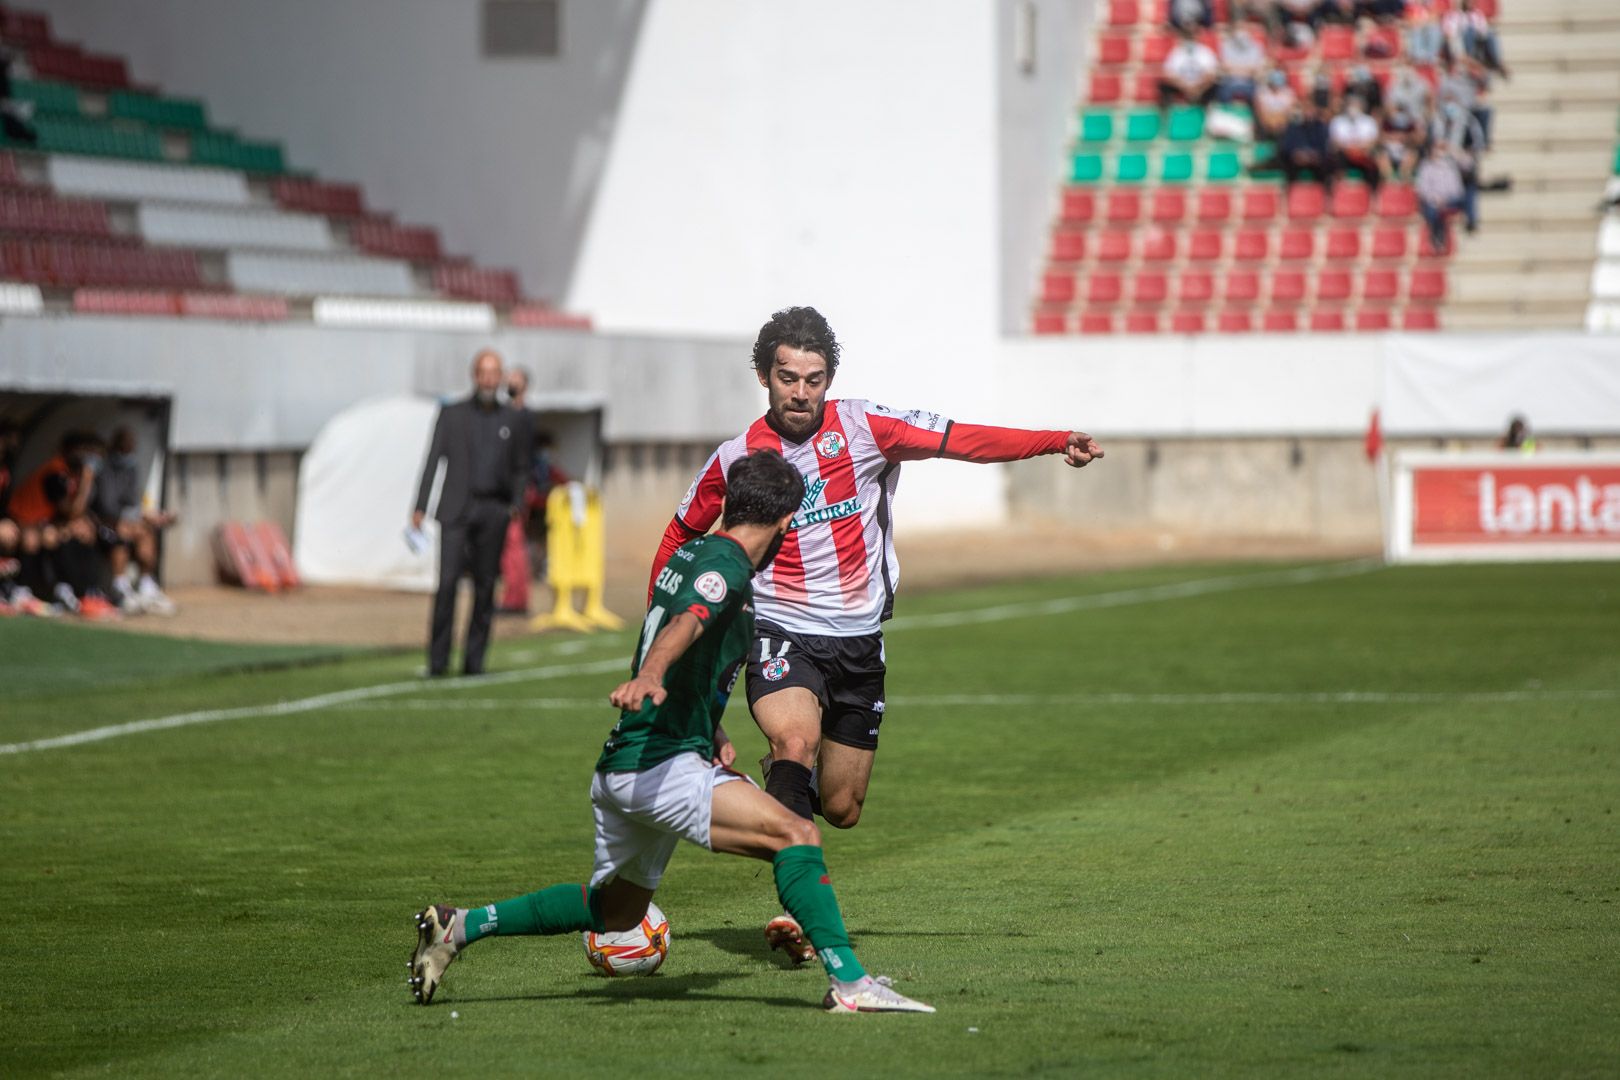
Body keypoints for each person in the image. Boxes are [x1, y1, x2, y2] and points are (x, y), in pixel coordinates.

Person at [648, 306, 1102, 963]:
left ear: (829, 378)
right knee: (793, 737)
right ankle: (795, 909)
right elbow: (678, 533)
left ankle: (786, 776)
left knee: (844, 806)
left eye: (813, 378)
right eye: (787, 377)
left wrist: (1055, 440)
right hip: (780, 626)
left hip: (859, 641)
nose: (800, 392)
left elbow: (962, 438)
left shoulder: (865, 427)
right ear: (762, 376)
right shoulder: (737, 456)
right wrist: (661, 620)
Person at [408, 449, 934, 1014]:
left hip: (623, 766)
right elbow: (688, 623)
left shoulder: (692, 554)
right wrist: (651, 676)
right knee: (796, 835)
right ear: (786, 524)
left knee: (617, 912)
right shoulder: (727, 567)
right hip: (661, 765)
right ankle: (852, 985)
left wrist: (712, 729)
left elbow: (686, 640)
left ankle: (458, 928)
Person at [412, 349, 532, 677]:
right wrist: (420, 506)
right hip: (455, 510)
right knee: (447, 584)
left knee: (484, 587)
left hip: (493, 510)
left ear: (501, 376)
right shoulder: (452, 414)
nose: (490, 379)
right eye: (484, 372)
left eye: (495, 373)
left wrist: (516, 504)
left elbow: (523, 466)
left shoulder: (513, 419)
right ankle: (437, 662)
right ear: (474, 375)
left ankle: (474, 662)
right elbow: (432, 459)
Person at [90, 426, 178, 615]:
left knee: (145, 532)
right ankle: (119, 587)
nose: (130, 448)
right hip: (101, 523)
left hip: (123, 521)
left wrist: (147, 517)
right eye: (126, 444)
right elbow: (106, 505)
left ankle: (146, 585)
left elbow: (131, 502)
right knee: (119, 535)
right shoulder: (104, 469)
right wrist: (123, 522)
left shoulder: (131, 468)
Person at [497, 365, 535, 615]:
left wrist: (517, 497)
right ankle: (512, 597)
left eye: (515, 379)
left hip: (517, 490)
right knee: (507, 547)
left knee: (513, 546)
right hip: (507, 487)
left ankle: (516, 600)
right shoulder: (505, 413)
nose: (510, 382)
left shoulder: (523, 416)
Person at [1415, 139, 1473, 252]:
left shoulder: (1451, 165)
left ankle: (1470, 222)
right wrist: (1435, 198)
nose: (1439, 152)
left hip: (1451, 199)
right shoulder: (1426, 167)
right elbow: (1422, 189)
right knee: (1434, 211)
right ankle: (1437, 238)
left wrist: (1453, 150)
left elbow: (1458, 188)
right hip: (1433, 201)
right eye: (1437, 148)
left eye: (1442, 149)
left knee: (1469, 194)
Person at [1157, 24, 1221, 109]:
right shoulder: (1176, 52)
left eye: (1191, 36)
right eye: (1187, 36)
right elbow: (1169, 74)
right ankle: (1165, 119)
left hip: (1201, 87)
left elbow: (1211, 74)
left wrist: (1197, 88)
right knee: (1164, 87)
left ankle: (1209, 115)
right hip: (1181, 86)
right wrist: (1186, 87)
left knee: (1215, 86)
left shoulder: (1205, 52)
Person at [1329, 94, 1381, 189]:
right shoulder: (1337, 121)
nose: (1353, 108)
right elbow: (1335, 141)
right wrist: (1349, 148)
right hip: (1344, 153)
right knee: (1333, 159)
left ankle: (1373, 193)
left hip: (1363, 153)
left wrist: (1359, 148)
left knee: (1375, 161)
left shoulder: (1369, 121)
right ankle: (1338, 190)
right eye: (1351, 105)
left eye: (1356, 105)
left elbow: (1373, 141)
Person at [1277, 102, 1334, 187]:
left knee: (1327, 166)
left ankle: (1326, 195)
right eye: (1306, 110)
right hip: (1297, 160)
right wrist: (1297, 154)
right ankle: (1290, 194)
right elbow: (1287, 146)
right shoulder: (1293, 127)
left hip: (1315, 160)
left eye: (1311, 111)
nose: (1308, 113)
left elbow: (1324, 146)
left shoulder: (1320, 127)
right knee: (1287, 165)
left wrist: (1314, 155)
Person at [1216, 24, 1267, 104]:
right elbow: (1225, 67)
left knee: (1260, 94)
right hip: (1229, 82)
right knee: (1222, 91)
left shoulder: (1257, 47)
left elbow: (1257, 70)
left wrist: (1234, 69)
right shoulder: (1225, 45)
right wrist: (1248, 70)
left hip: (1250, 83)